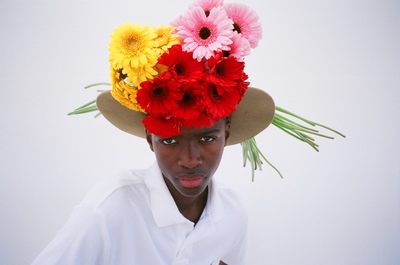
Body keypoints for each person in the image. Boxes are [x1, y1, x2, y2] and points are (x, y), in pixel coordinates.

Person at [32, 0, 275, 264]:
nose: (190, 160)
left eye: (207, 138)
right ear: (150, 139)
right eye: (170, 140)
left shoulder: (233, 212)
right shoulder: (108, 211)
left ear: (226, 134)